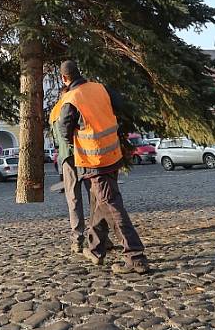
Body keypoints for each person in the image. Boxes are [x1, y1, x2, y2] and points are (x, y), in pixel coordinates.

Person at [58, 59, 149, 274]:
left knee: (112, 206)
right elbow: (120, 105)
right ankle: (96, 249)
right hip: (112, 154)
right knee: (101, 203)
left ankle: (135, 256)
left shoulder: (70, 99)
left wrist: (78, 141)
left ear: (64, 78)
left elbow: (64, 131)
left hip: (94, 161)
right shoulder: (100, 88)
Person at [50, 86, 111, 254]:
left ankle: (78, 239)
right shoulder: (75, 104)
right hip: (81, 155)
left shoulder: (54, 112)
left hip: (67, 158)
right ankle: (99, 237)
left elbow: (56, 139)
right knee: (95, 196)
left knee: (74, 199)